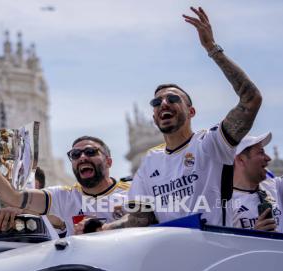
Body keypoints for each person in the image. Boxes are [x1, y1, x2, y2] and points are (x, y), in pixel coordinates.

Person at [104, 7, 262, 230]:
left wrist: (212, 49)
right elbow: (139, 219)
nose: (164, 104)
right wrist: (102, 229)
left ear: (191, 111)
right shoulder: (150, 162)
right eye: (157, 103)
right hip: (173, 257)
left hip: (216, 251)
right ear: (155, 117)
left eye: (172, 99)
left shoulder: (212, 143)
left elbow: (251, 99)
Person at [0, 135, 130, 235]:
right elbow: (13, 197)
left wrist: (103, 229)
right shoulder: (64, 196)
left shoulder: (133, 192)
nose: (82, 157)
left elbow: (148, 220)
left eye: (90, 152)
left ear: (108, 162)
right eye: (75, 155)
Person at [230, 132, 283, 232]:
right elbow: (222, 245)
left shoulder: (275, 185)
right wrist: (255, 236)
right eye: (261, 152)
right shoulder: (224, 204)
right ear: (241, 160)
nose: (268, 158)